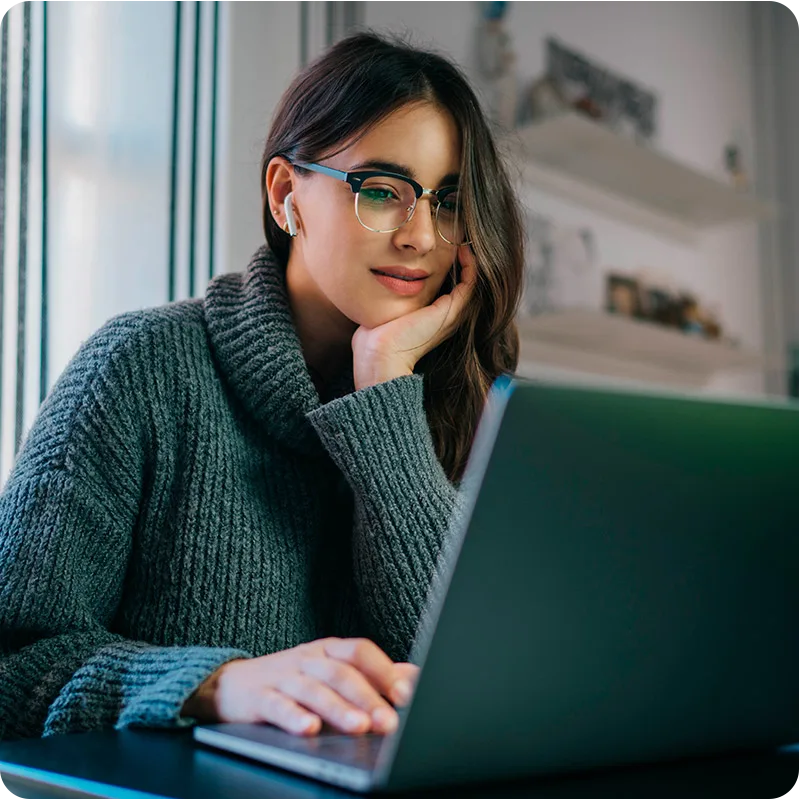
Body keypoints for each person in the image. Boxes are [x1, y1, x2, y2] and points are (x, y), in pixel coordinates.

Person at [0, 30, 524, 742]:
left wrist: (384, 400)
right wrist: (212, 685)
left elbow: (477, 680)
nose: (422, 238)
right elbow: (14, 664)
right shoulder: (140, 369)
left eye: (449, 201)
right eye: (382, 191)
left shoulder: (454, 397)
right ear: (286, 195)